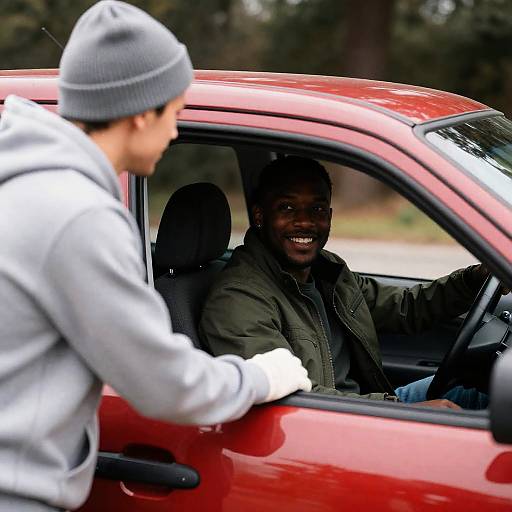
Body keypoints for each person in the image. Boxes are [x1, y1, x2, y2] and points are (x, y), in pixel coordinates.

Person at [0, 3, 311, 511]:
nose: (174, 132)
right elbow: (164, 385)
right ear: (143, 113)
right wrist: (261, 377)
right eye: (175, 113)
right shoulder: (78, 217)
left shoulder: (24, 183)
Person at [199, 155, 490, 410]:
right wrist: (406, 412)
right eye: (287, 208)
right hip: (334, 425)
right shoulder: (238, 300)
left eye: (317, 209)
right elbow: (296, 402)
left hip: (363, 407)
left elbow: (405, 308)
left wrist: (473, 280)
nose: (305, 222)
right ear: (260, 216)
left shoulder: (327, 272)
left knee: (481, 392)